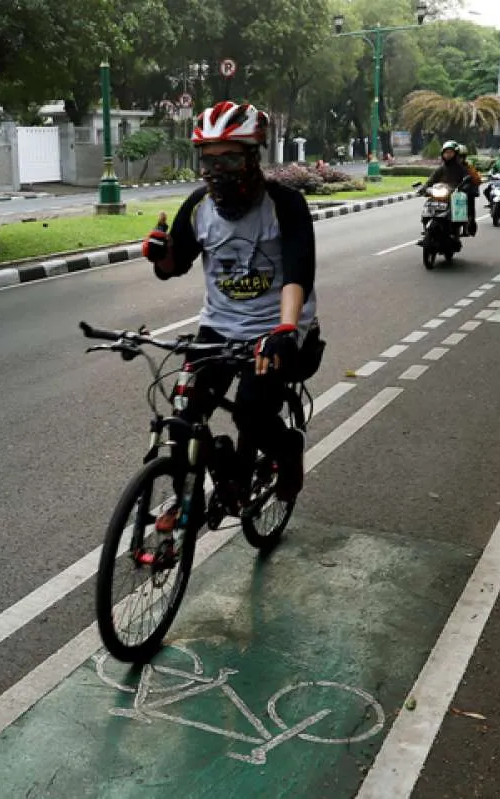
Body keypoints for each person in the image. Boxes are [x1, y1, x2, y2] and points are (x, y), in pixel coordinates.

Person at [140, 100, 321, 507]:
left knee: (252, 412)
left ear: (252, 157)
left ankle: (286, 449)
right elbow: (173, 266)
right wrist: (160, 252)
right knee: (184, 417)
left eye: (229, 158)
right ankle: (204, 492)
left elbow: (297, 275)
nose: (216, 169)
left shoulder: (286, 205)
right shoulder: (199, 207)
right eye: (208, 159)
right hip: (219, 328)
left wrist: (286, 330)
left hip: (276, 328)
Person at [417, 140, 480, 244]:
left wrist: (465, 187)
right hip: (440, 194)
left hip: (453, 195)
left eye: (450, 152)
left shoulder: (461, 168)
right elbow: (431, 180)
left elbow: (467, 179)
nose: (448, 155)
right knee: (428, 205)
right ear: (442, 154)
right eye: (446, 153)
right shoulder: (441, 169)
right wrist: (423, 188)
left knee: (462, 206)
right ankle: (426, 231)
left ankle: (458, 230)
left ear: (455, 154)